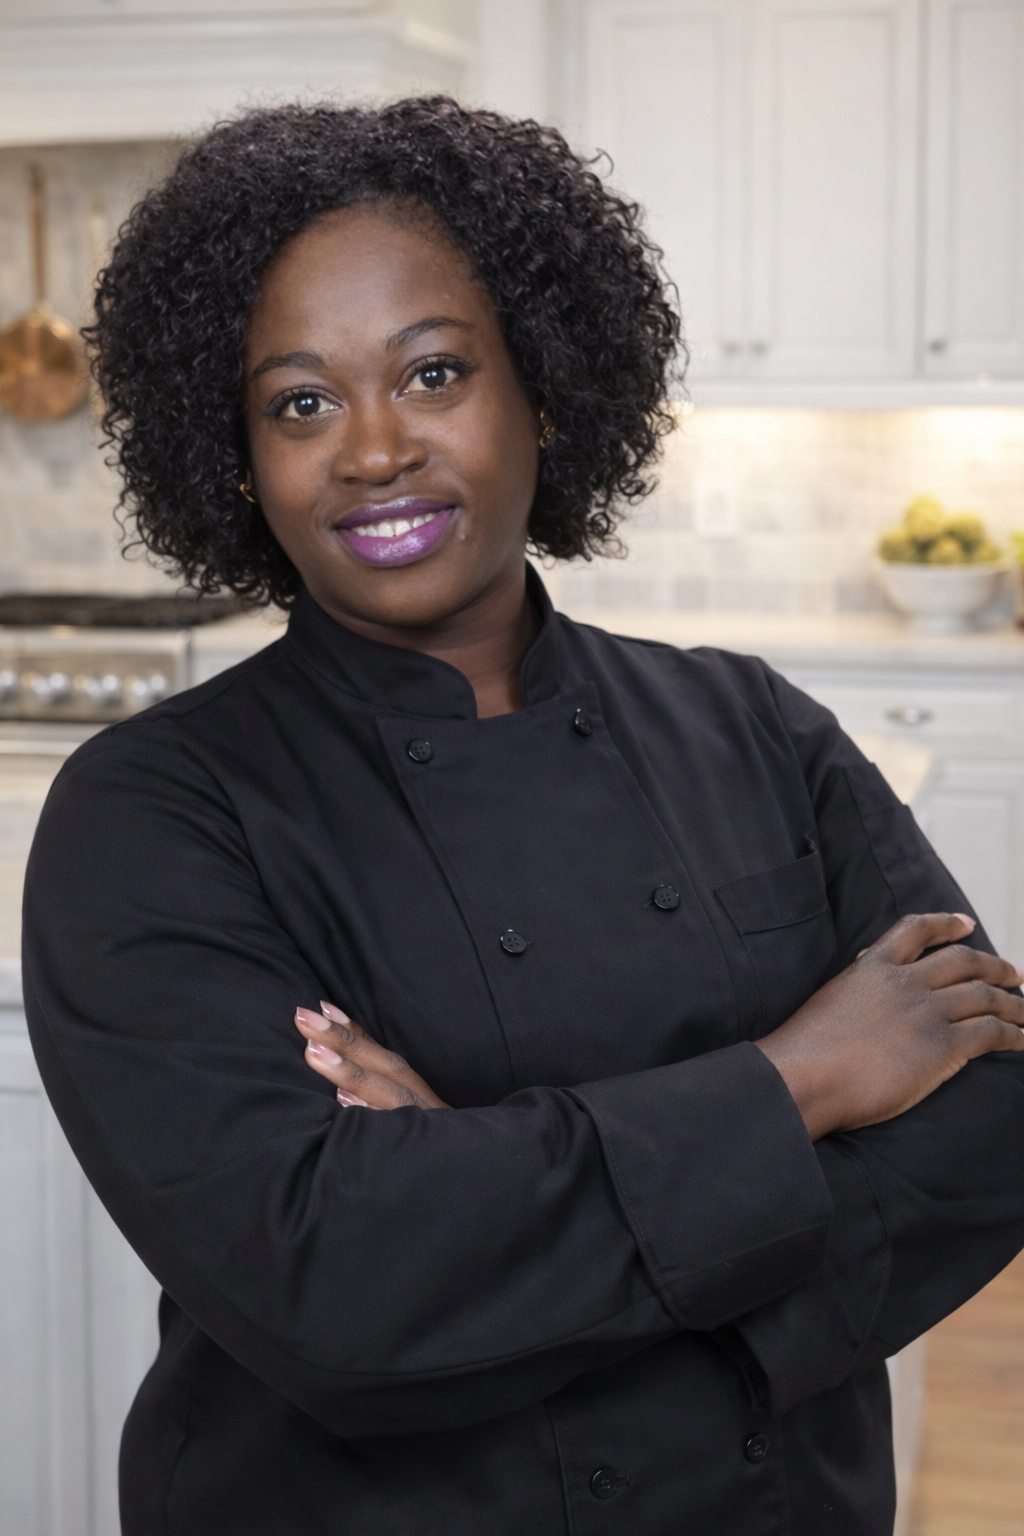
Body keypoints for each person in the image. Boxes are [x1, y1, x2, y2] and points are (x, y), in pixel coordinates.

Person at [23, 98, 1024, 1536]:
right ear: (237, 454)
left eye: (433, 373)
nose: (374, 449)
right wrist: (802, 1079)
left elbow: (986, 1132)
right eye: (301, 403)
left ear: (543, 389)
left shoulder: (754, 724)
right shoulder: (152, 815)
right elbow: (337, 1286)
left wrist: (478, 1198)